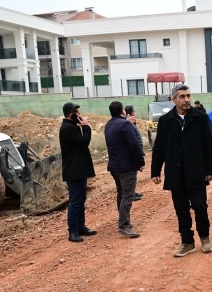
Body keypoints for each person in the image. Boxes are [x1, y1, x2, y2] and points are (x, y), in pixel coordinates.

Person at [151, 84, 212, 257]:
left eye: (188, 96)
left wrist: (210, 169)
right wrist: (155, 170)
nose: (187, 99)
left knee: (200, 206)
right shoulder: (165, 121)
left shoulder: (200, 118)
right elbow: (159, 148)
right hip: (175, 173)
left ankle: (205, 237)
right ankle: (187, 242)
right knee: (181, 209)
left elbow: (209, 145)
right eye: (182, 96)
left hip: (197, 172)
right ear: (174, 100)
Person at [105, 101, 146, 238]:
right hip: (126, 166)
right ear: (122, 111)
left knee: (121, 193)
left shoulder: (108, 125)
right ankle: (124, 225)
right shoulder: (125, 124)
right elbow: (133, 144)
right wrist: (140, 161)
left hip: (114, 166)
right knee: (128, 195)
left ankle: (123, 220)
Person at [58, 102, 97, 243]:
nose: (80, 116)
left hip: (78, 170)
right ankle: (73, 231)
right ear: (71, 114)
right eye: (78, 113)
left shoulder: (72, 126)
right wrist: (86, 127)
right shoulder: (68, 128)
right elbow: (84, 141)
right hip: (73, 171)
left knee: (81, 200)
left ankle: (81, 227)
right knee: (75, 201)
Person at [124, 105, 144, 202]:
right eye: (134, 111)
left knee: (134, 174)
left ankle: (132, 192)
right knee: (132, 175)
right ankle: (131, 194)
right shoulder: (129, 124)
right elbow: (133, 140)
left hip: (137, 150)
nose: (135, 113)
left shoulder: (132, 122)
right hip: (134, 152)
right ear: (130, 113)